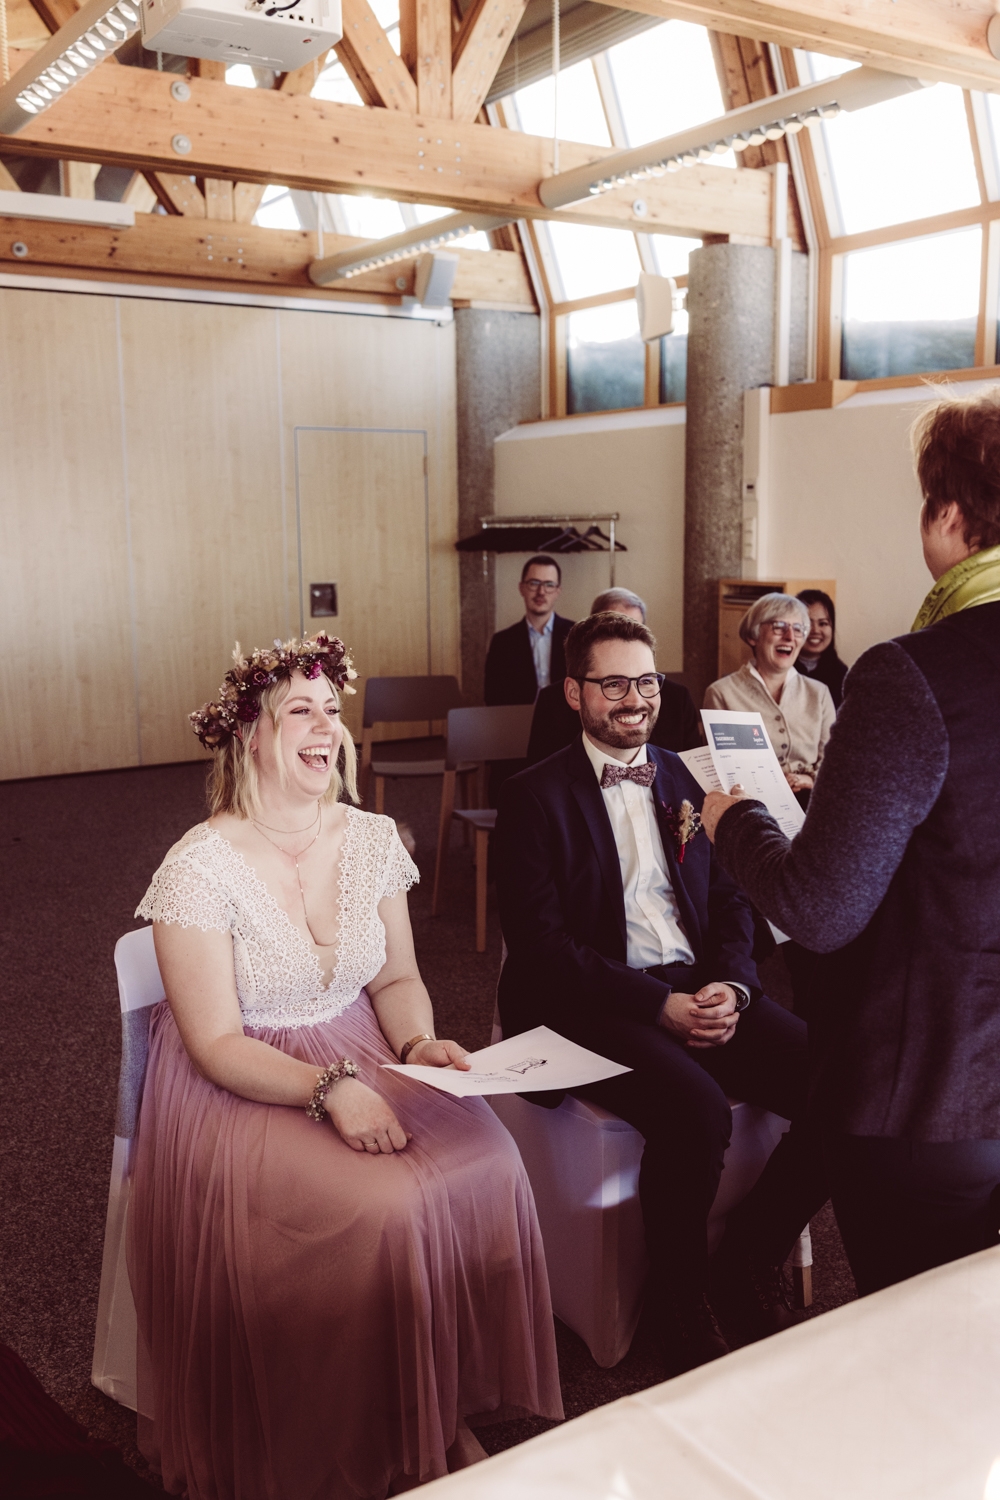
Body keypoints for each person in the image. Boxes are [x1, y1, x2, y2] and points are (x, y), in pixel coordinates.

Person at [127, 633, 562, 1500]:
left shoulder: (368, 837)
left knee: (490, 1160)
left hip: (363, 1044)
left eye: (333, 710)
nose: (326, 727)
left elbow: (397, 976)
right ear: (251, 732)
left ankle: (433, 1398)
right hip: (248, 1078)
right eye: (301, 710)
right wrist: (330, 1092)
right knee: (385, 1208)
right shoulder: (198, 864)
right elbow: (214, 1044)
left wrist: (415, 1046)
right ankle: (389, 1425)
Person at [701, 385, 1000, 1299]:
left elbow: (821, 909)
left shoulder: (917, 671)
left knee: (911, 1364)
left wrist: (734, 822)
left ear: (947, 515)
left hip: (932, 1088)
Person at [494, 612, 827, 1376]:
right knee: (695, 1107)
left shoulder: (690, 779)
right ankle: (682, 1304)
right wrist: (657, 1008)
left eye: (645, 681)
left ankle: (745, 1261)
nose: (634, 699)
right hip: (588, 999)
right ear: (574, 693)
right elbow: (543, 950)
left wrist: (736, 989)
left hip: (700, 983)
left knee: (841, 1080)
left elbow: (737, 902)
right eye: (613, 683)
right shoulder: (532, 796)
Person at [526, 591, 701, 764]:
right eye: (614, 683)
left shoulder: (677, 699)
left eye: (633, 627)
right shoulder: (553, 701)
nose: (635, 701)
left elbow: (696, 776)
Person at [704, 593, 835, 798]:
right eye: (779, 627)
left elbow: (834, 758)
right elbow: (718, 769)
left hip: (812, 800)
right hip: (750, 802)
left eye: (798, 629)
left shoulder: (819, 693)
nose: (790, 637)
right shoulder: (721, 693)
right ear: (753, 636)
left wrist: (810, 779)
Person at [483, 555, 574, 706]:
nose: (541, 591)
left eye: (549, 584)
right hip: (517, 722)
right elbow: (492, 697)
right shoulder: (502, 642)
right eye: (534, 583)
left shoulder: (577, 635)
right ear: (522, 588)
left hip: (567, 721)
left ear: (558, 591)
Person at [795, 589, 848, 708]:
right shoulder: (781, 670)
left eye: (823, 623)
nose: (815, 631)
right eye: (807, 623)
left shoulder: (841, 674)